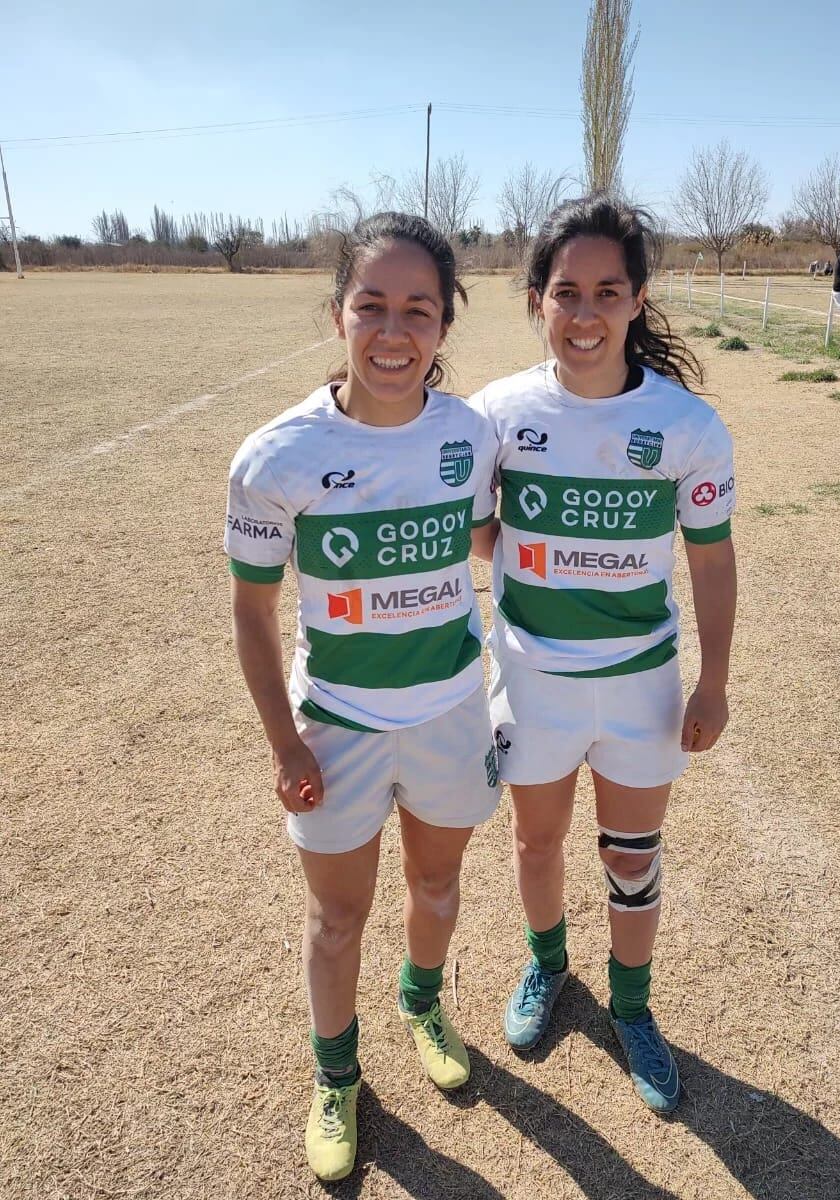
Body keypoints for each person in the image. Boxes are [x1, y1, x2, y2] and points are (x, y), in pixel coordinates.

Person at [225, 213, 501, 1181]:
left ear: (444, 323)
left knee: (435, 887)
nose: (395, 333)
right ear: (338, 313)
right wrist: (283, 743)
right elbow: (254, 616)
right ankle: (336, 1076)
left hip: (450, 716)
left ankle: (422, 998)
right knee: (336, 920)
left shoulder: (470, 436)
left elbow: (487, 542)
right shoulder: (274, 457)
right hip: (336, 729)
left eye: (418, 310)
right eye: (372, 306)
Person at [471, 194, 737, 1114]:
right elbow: (477, 526)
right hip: (534, 680)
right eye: (565, 292)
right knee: (535, 840)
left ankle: (633, 1010)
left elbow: (710, 551)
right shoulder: (495, 414)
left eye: (607, 292)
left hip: (640, 686)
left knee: (632, 854)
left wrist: (714, 680)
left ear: (638, 299)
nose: (584, 314)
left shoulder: (688, 425)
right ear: (536, 299)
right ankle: (550, 969)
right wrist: (524, 557)